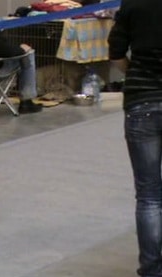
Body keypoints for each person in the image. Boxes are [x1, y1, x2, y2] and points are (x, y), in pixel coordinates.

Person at [108, 0, 162, 276]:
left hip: (142, 102)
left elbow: (116, 52)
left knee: (149, 196)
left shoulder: (132, 4)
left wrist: (136, 73)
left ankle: (152, 269)